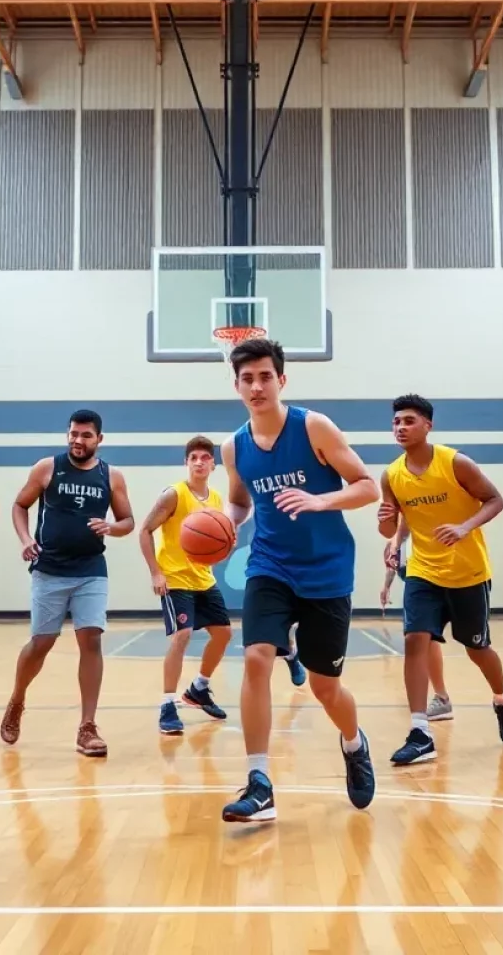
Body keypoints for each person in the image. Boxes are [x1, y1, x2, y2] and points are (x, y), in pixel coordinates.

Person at [219, 337, 378, 823]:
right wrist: (227, 523)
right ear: (237, 386)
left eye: (266, 376)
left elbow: (368, 485)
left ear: (281, 380)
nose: (257, 386)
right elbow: (241, 500)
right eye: (247, 378)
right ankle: (259, 781)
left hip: (327, 570)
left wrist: (319, 500)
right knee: (256, 658)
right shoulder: (234, 447)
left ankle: (354, 743)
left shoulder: (313, 427)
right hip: (270, 564)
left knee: (325, 686)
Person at [379, 394, 503, 767]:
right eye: (396, 422)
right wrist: (391, 536)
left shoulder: (456, 463)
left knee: (477, 648)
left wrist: (463, 527)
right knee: (414, 640)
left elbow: (495, 500)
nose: (400, 427)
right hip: (424, 571)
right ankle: (419, 731)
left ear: (428, 425)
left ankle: (502, 699)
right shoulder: (391, 475)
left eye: (409, 421)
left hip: (468, 571)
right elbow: (391, 525)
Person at [1, 410, 134, 757]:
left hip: (91, 568)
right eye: (73, 433)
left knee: (90, 639)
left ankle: (87, 726)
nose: (78, 440)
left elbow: (128, 520)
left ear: (99, 440)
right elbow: (19, 505)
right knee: (41, 643)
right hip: (50, 570)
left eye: (86, 435)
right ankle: (17, 699)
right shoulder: (47, 468)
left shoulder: (112, 476)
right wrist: (25, 538)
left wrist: (112, 528)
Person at [138, 435, 234, 734]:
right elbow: (144, 530)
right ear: (186, 463)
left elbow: (220, 538)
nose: (199, 461)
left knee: (224, 634)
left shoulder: (217, 499)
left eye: (205, 457)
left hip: (203, 579)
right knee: (181, 637)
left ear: (213, 465)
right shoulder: (173, 495)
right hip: (175, 578)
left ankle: (199, 688)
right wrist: (156, 572)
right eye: (193, 457)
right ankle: (167, 704)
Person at [382, 527, 453, 722]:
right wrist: (386, 586)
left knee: (431, 640)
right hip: (417, 588)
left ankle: (442, 697)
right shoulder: (395, 541)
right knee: (424, 639)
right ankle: (440, 698)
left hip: (437, 580)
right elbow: (392, 564)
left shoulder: (418, 529)